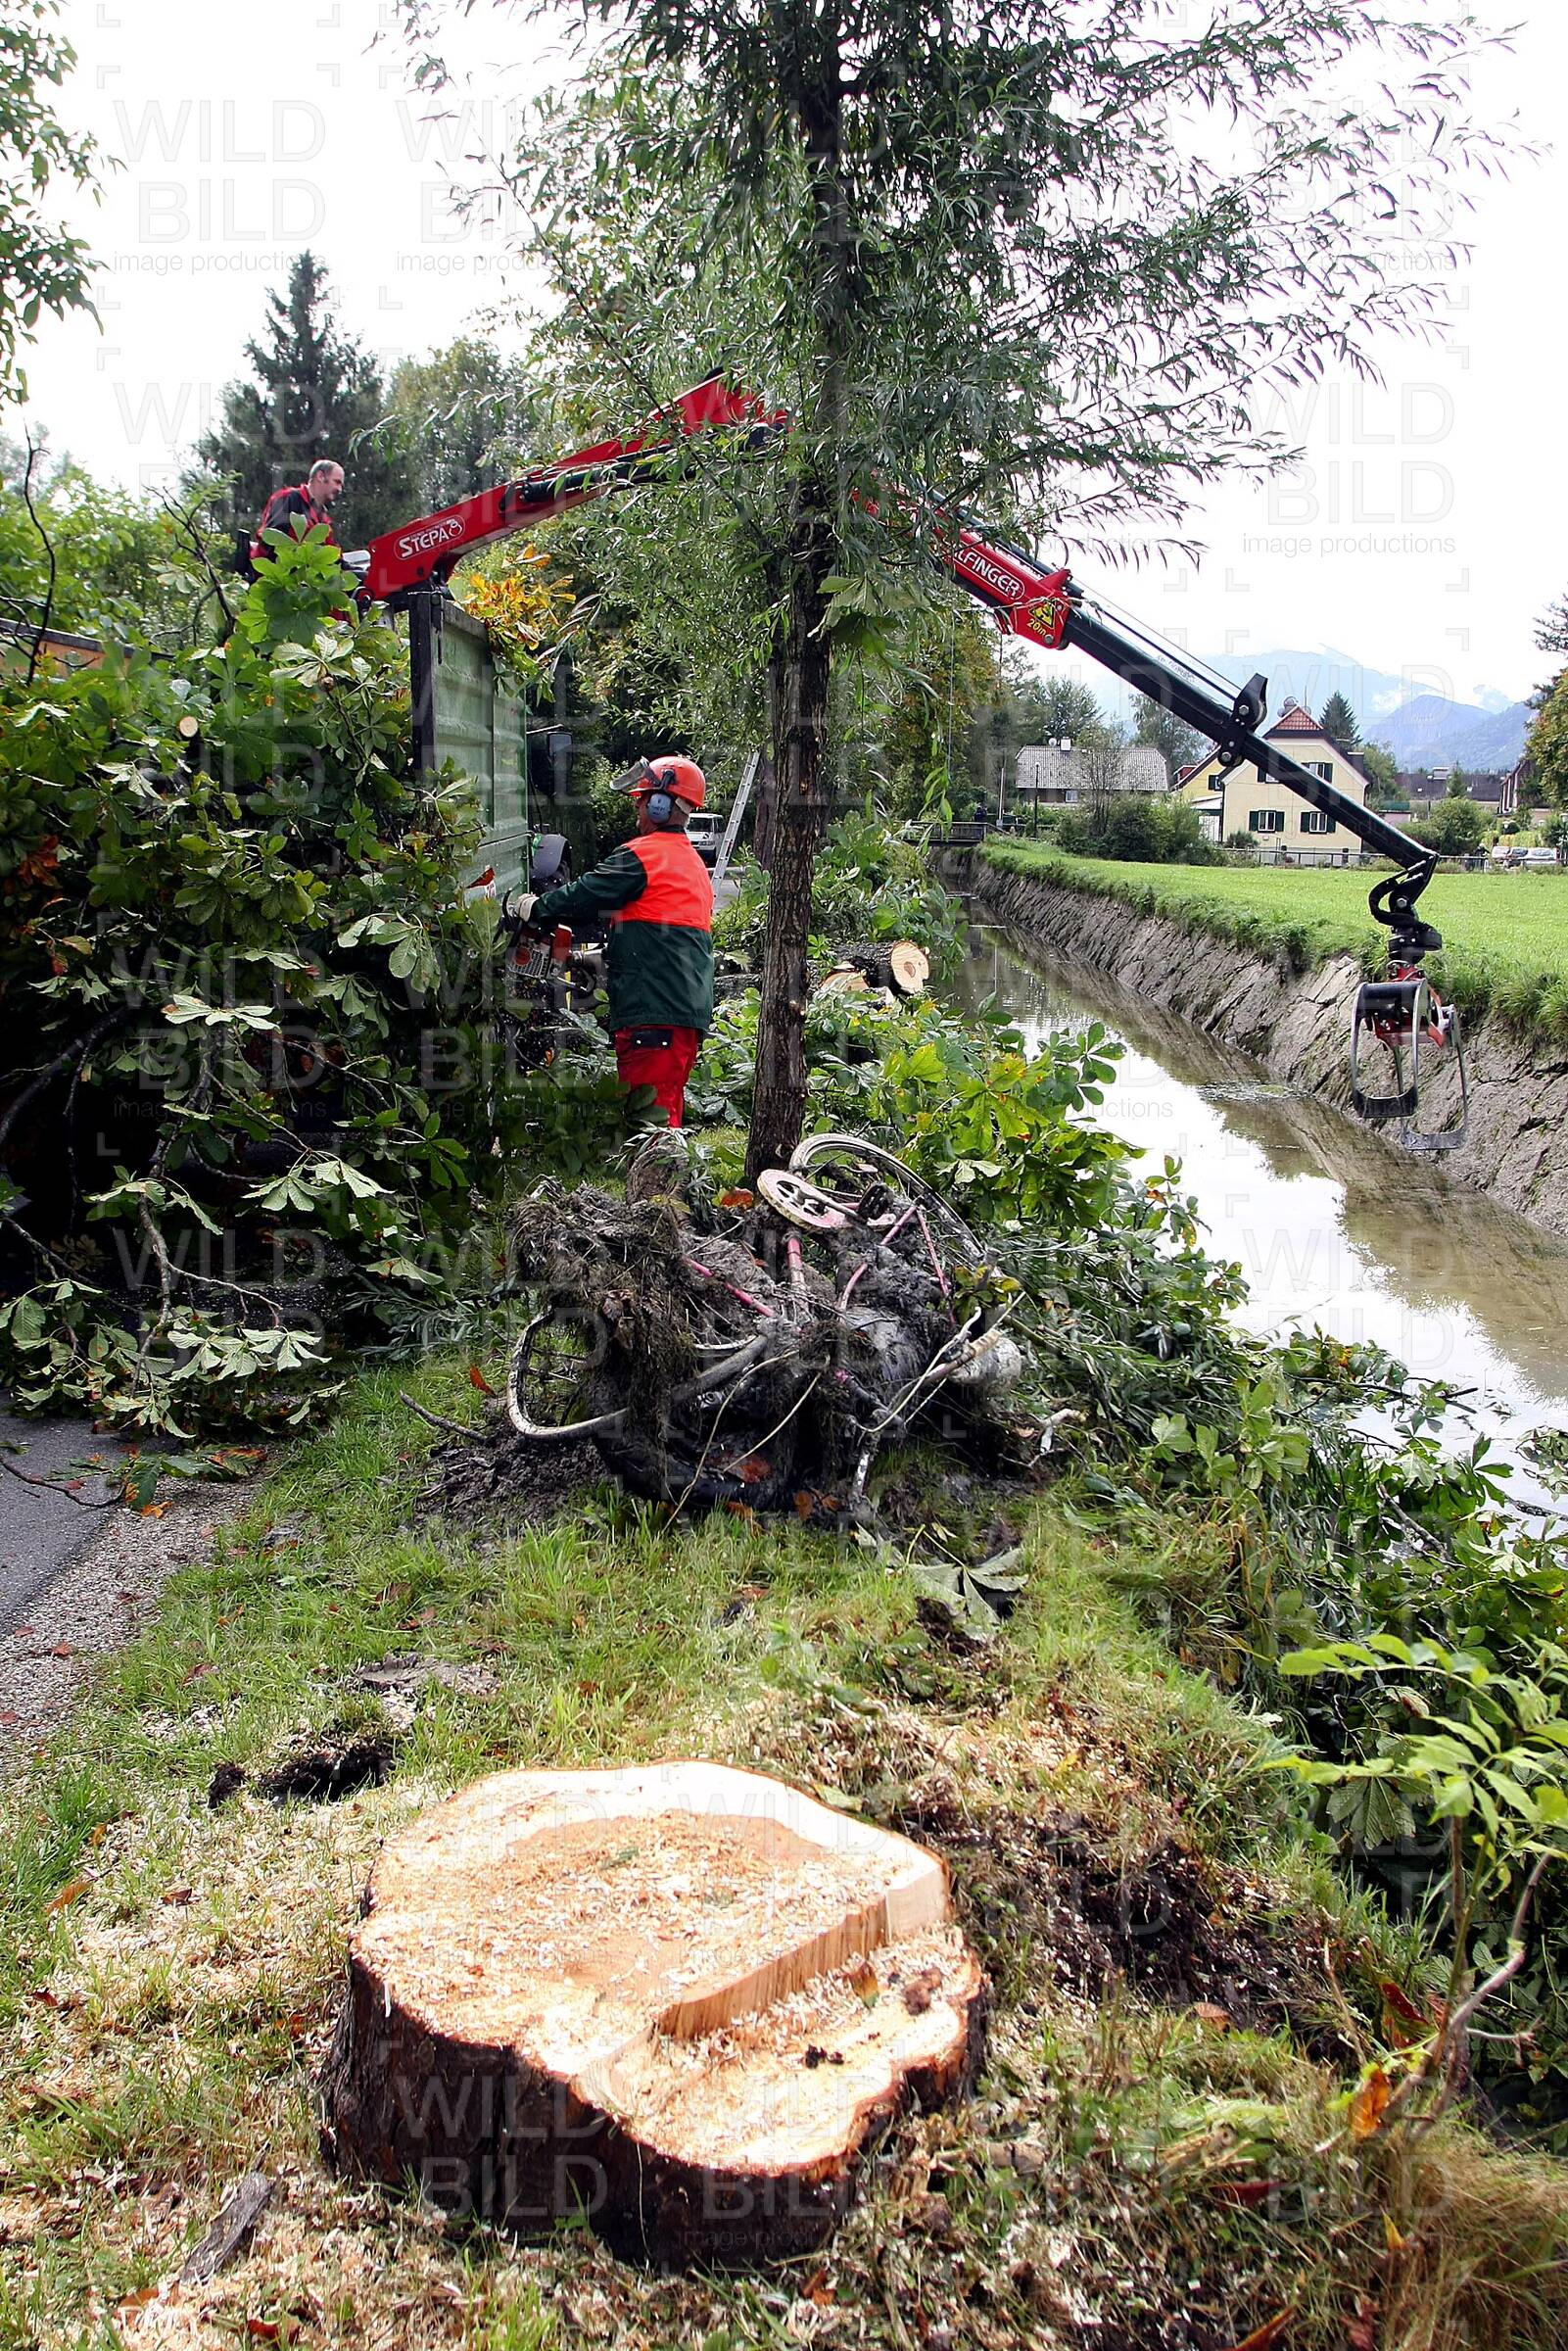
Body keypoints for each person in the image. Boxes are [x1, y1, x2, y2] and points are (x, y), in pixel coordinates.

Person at [513, 756, 714, 1128]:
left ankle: (656, 1169)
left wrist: (536, 907)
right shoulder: (690, 862)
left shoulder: (644, 855)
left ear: (661, 804)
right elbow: (646, 927)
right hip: (679, 1014)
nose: (638, 807)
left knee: (648, 1123)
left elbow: (585, 895)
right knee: (663, 1112)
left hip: (654, 1013)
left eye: (643, 799)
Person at [250, 458, 345, 568]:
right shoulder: (289, 498)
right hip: (276, 572)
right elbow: (271, 541)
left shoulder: (323, 519)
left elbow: (334, 557)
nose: (340, 489)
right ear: (321, 476)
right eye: (337, 482)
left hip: (305, 573)